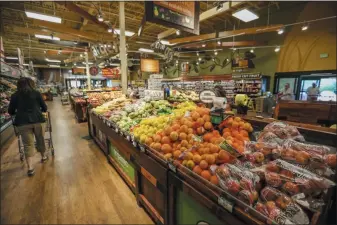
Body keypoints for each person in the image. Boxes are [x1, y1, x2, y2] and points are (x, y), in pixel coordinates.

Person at [8, 77, 48, 177]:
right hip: (38, 120)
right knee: (40, 139)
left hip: (22, 123)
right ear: (31, 84)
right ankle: (43, 156)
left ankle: (30, 167)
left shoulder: (14, 96)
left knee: (27, 144)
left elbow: (10, 111)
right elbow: (44, 108)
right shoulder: (37, 93)